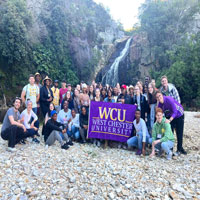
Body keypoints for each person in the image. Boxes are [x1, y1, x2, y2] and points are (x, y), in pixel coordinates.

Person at [156, 91, 187, 155]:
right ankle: (170, 149)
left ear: (162, 95)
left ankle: (179, 149)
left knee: (179, 133)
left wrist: (169, 120)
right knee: (170, 132)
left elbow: (175, 111)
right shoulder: (160, 104)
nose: (159, 98)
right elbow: (159, 114)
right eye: (157, 97)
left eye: (159, 96)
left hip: (179, 115)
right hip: (170, 115)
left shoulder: (168, 99)